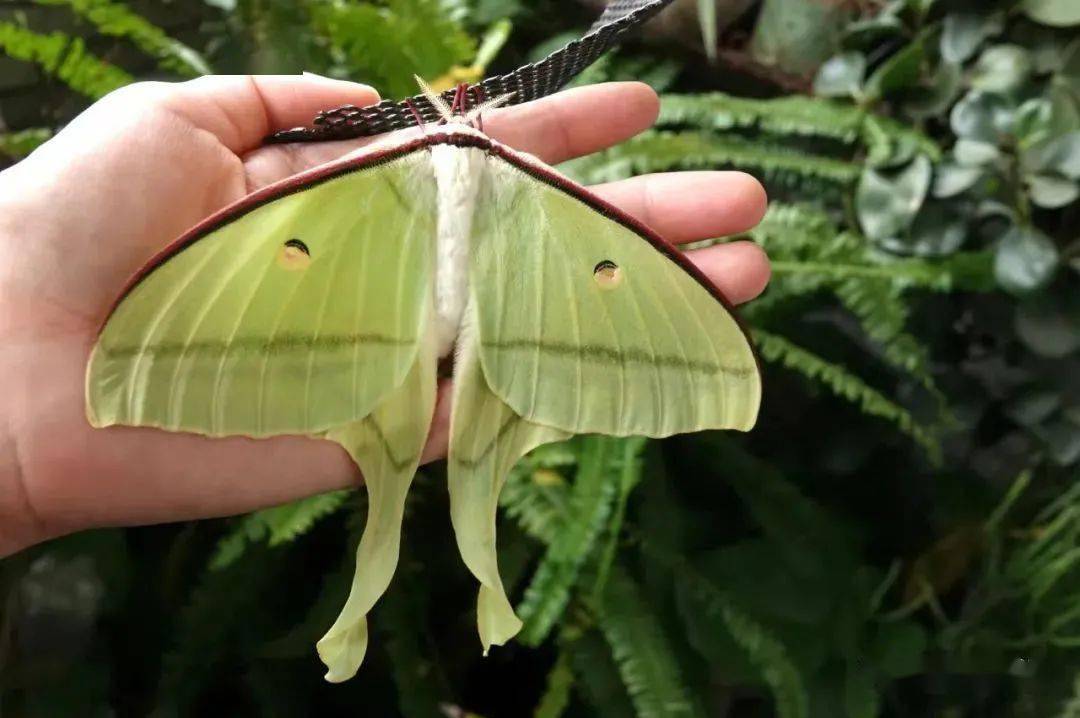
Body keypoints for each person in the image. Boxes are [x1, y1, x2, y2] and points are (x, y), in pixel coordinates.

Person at [0, 75, 770, 557]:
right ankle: (475, 586)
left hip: (406, 311)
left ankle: (422, 584)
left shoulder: (358, 180)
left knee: (413, 465)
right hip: (460, 311)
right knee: (454, 464)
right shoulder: (539, 189)